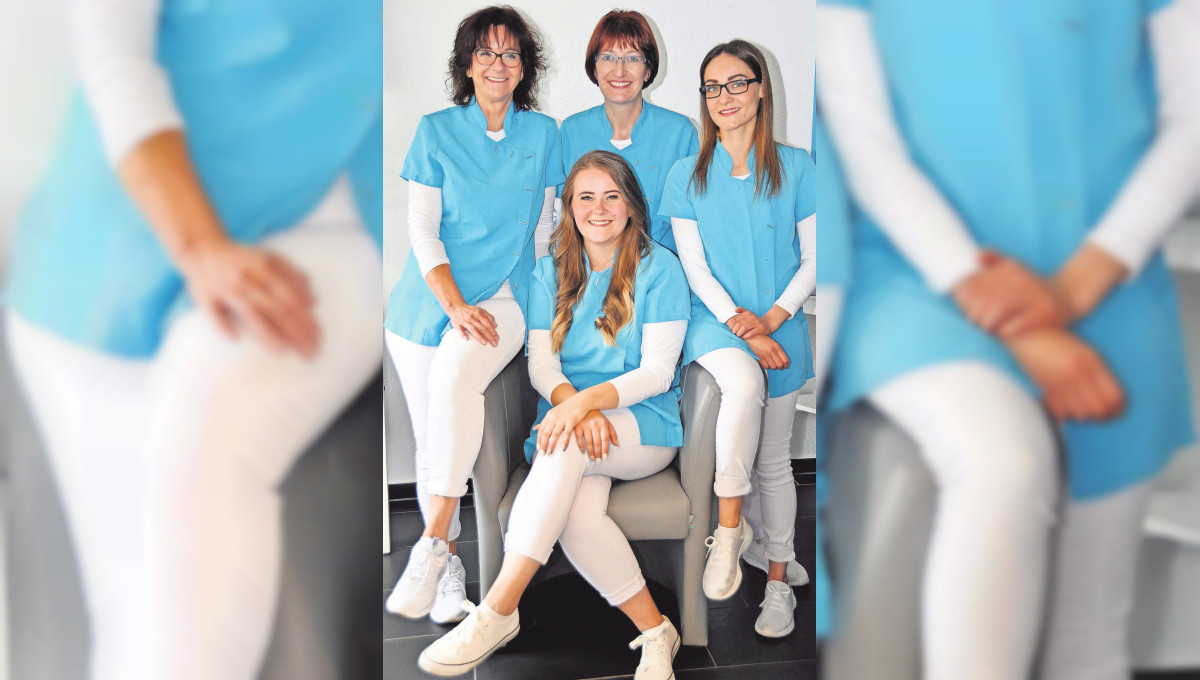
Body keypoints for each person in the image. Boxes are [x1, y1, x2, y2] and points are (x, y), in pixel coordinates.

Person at [817, 0, 1200, 677]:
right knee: (1002, 464)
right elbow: (864, 138)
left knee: (1089, 629)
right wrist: (994, 301)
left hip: (1111, 287)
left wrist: (1076, 287)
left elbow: (1192, 114)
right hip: (922, 281)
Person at [4, 1, 383, 678]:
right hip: (100, 272)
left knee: (166, 624)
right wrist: (199, 245)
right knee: (142, 624)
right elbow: (113, 51)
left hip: (305, 234)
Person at [417, 150, 691, 679]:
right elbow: (540, 364)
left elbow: (659, 373)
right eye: (586, 197)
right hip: (570, 419)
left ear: (631, 206)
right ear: (569, 208)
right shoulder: (549, 272)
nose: (599, 209)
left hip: (643, 424)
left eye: (611, 196)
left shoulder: (662, 269)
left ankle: (498, 610)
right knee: (579, 518)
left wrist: (586, 404)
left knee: (562, 445)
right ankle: (658, 632)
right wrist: (575, 406)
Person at [384, 5, 562, 625]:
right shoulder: (435, 131)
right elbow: (422, 230)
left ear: (525, 67)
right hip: (427, 304)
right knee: (432, 440)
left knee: (453, 379)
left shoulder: (543, 134)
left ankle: (432, 540)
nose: (498, 63)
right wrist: (454, 305)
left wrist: (549, 309)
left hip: (506, 297)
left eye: (510, 53)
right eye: (485, 52)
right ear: (466, 64)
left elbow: (545, 230)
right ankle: (448, 568)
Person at [659, 39, 815, 639]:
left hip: (781, 324)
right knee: (744, 396)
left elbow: (814, 259)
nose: (724, 97)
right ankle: (731, 533)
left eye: (737, 83)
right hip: (716, 322)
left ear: (760, 89)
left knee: (774, 460)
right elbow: (695, 267)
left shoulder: (797, 166)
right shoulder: (686, 174)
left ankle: (777, 580)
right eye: (712, 87)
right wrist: (742, 324)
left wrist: (771, 321)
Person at [558, 9, 697, 253]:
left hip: (660, 269)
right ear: (594, 68)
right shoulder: (572, 131)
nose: (619, 70)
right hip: (589, 269)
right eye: (608, 57)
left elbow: (692, 224)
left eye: (632, 58)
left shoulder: (680, 134)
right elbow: (564, 218)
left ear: (648, 70)